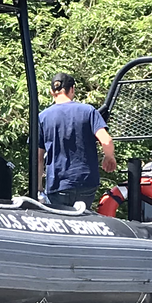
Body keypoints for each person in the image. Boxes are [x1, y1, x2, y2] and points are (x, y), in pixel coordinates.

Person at [37, 72, 117, 207]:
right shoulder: (88, 111)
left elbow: (37, 157)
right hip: (86, 184)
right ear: (72, 89)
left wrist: (38, 187)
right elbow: (106, 140)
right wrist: (109, 157)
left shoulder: (42, 117)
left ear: (51, 91)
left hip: (58, 185)